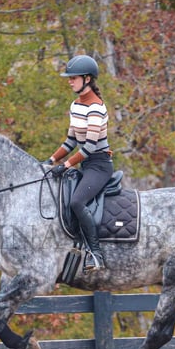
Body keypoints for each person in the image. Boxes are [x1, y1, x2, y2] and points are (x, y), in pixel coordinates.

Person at [44, 54, 113, 272]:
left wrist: (65, 166)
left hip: (99, 165)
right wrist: (51, 160)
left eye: (73, 78)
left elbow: (90, 146)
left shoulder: (96, 107)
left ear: (87, 79)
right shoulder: (76, 105)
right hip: (85, 164)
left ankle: (96, 254)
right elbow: (71, 141)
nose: (69, 81)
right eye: (69, 78)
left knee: (76, 202)